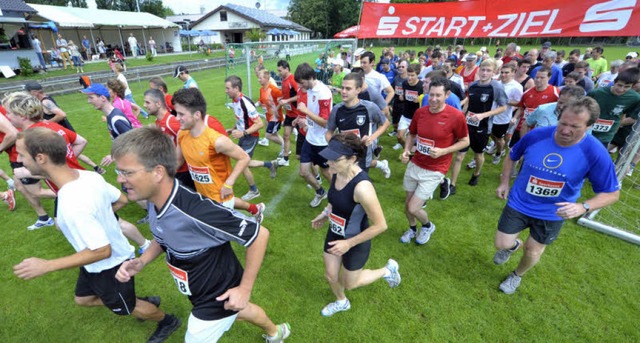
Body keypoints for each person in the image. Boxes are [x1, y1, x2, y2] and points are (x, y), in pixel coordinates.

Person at [112, 127, 291, 343]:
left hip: (216, 296)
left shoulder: (195, 211)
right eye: (119, 172)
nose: (121, 180)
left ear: (158, 172)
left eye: (127, 172)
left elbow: (259, 234)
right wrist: (141, 261)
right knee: (240, 311)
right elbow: (163, 237)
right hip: (200, 290)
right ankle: (276, 333)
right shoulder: (153, 200)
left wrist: (244, 289)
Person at [12, 127, 181, 342]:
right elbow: (121, 199)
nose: (19, 160)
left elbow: (102, 250)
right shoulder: (86, 176)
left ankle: (167, 320)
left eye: (22, 155)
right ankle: (132, 299)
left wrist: (47, 265)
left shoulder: (74, 203)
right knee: (83, 299)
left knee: (129, 307)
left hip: (111, 266)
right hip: (97, 264)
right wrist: (100, 218)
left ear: (41, 158)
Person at [493, 97, 620, 294]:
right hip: (520, 202)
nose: (566, 130)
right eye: (563, 123)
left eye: (575, 126)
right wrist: (504, 181)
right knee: (502, 243)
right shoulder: (537, 135)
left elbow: (612, 193)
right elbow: (512, 156)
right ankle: (512, 247)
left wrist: (582, 207)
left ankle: (516, 275)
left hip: (553, 212)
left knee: (532, 250)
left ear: (589, 126)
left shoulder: (595, 152)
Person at [310, 134, 400, 317]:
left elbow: (381, 225)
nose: (329, 163)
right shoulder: (337, 173)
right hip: (335, 235)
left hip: (355, 241)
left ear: (352, 159)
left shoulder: (362, 188)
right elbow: (335, 200)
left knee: (350, 283)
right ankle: (341, 301)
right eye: (329, 157)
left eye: (335, 159)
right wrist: (326, 213)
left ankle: (387, 270)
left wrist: (349, 244)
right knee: (331, 275)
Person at [173, 88, 264, 218]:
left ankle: (255, 221)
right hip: (203, 197)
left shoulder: (217, 141)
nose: (177, 118)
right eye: (177, 113)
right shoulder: (181, 135)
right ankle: (256, 209)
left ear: (197, 115)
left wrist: (229, 183)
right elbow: (177, 161)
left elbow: (244, 157)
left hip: (220, 198)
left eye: (181, 114)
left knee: (235, 232)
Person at [400, 78, 469, 244]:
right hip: (415, 163)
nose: (434, 99)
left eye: (438, 95)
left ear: (447, 95)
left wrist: (444, 151)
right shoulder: (420, 113)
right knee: (407, 204)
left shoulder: (456, 116)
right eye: (431, 95)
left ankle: (427, 225)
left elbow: (465, 141)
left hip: (436, 168)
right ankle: (412, 229)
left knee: (413, 207)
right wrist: (406, 150)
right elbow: (412, 134)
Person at [24, 81, 105, 174]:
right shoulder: (45, 98)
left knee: (66, 156)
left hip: (62, 132)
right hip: (62, 131)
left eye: (28, 92)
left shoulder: (45, 102)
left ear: (34, 92)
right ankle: (96, 168)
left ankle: (81, 171)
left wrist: (46, 124)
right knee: (71, 153)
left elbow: (62, 114)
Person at [451, 58, 507, 188]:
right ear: (479, 70)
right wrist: (462, 115)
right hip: (467, 125)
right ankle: (452, 184)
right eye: (483, 70)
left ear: (493, 72)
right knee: (459, 156)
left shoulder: (496, 87)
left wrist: (483, 115)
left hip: (483, 127)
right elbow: (469, 101)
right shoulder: (473, 85)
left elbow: (503, 107)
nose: (484, 73)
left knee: (478, 155)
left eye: (488, 71)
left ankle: (476, 173)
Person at [224, 76, 279, 201]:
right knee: (244, 162)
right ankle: (270, 164)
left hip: (251, 137)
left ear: (236, 88)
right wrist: (233, 129)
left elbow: (259, 124)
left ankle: (254, 190)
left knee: (241, 163)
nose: (226, 91)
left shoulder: (245, 103)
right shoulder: (235, 100)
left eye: (228, 88)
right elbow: (241, 118)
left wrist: (243, 133)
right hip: (244, 135)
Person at [325, 73, 391, 178]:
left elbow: (385, 123)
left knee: (357, 186)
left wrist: (372, 138)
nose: (343, 91)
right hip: (344, 156)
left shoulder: (369, 107)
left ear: (358, 90)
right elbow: (329, 132)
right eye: (342, 88)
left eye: (348, 88)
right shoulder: (337, 109)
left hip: (363, 156)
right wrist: (335, 146)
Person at [294, 62, 334, 207]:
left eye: (302, 82)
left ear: (310, 77)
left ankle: (339, 197)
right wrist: (303, 119)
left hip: (322, 142)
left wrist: (305, 111)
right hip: (310, 138)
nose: (300, 86)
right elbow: (313, 115)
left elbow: (325, 122)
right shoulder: (310, 89)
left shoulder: (322, 93)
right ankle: (320, 192)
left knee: (327, 173)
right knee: (304, 172)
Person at [588, 67, 640, 148]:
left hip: (606, 135)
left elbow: (626, 113)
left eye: (627, 87)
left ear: (632, 86)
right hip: (588, 130)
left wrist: (617, 126)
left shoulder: (635, 98)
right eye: (619, 85)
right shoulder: (596, 93)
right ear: (614, 82)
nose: (621, 89)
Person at [256, 70, 285, 159]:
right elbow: (261, 100)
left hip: (275, 117)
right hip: (268, 116)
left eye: (260, 78)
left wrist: (277, 110)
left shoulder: (274, 90)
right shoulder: (261, 89)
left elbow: (283, 100)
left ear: (267, 78)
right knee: (274, 134)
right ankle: (284, 148)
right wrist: (255, 105)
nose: (258, 80)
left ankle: (285, 147)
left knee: (268, 135)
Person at [276, 60, 300, 167]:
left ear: (286, 69)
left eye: (280, 70)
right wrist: (282, 97)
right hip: (289, 114)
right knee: (286, 135)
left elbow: (300, 95)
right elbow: (287, 94)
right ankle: (285, 159)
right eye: (278, 70)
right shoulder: (283, 80)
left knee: (305, 139)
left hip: (298, 115)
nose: (279, 72)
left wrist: (286, 101)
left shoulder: (293, 80)